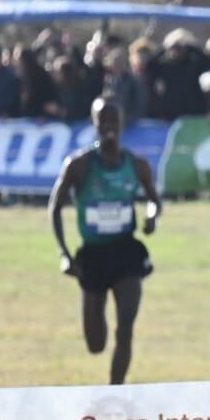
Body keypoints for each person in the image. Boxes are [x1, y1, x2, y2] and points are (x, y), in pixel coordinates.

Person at [47, 99, 164, 385]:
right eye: (103, 119)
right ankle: (101, 342)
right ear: (95, 124)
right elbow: (55, 208)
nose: (109, 125)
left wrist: (151, 217)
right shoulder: (79, 165)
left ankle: (116, 391)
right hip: (93, 256)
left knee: (125, 328)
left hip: (126, 253)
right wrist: (65, 254)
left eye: (114, 119)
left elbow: (155, 201)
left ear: (123, 124)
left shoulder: (136, 165)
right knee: (96, 343)